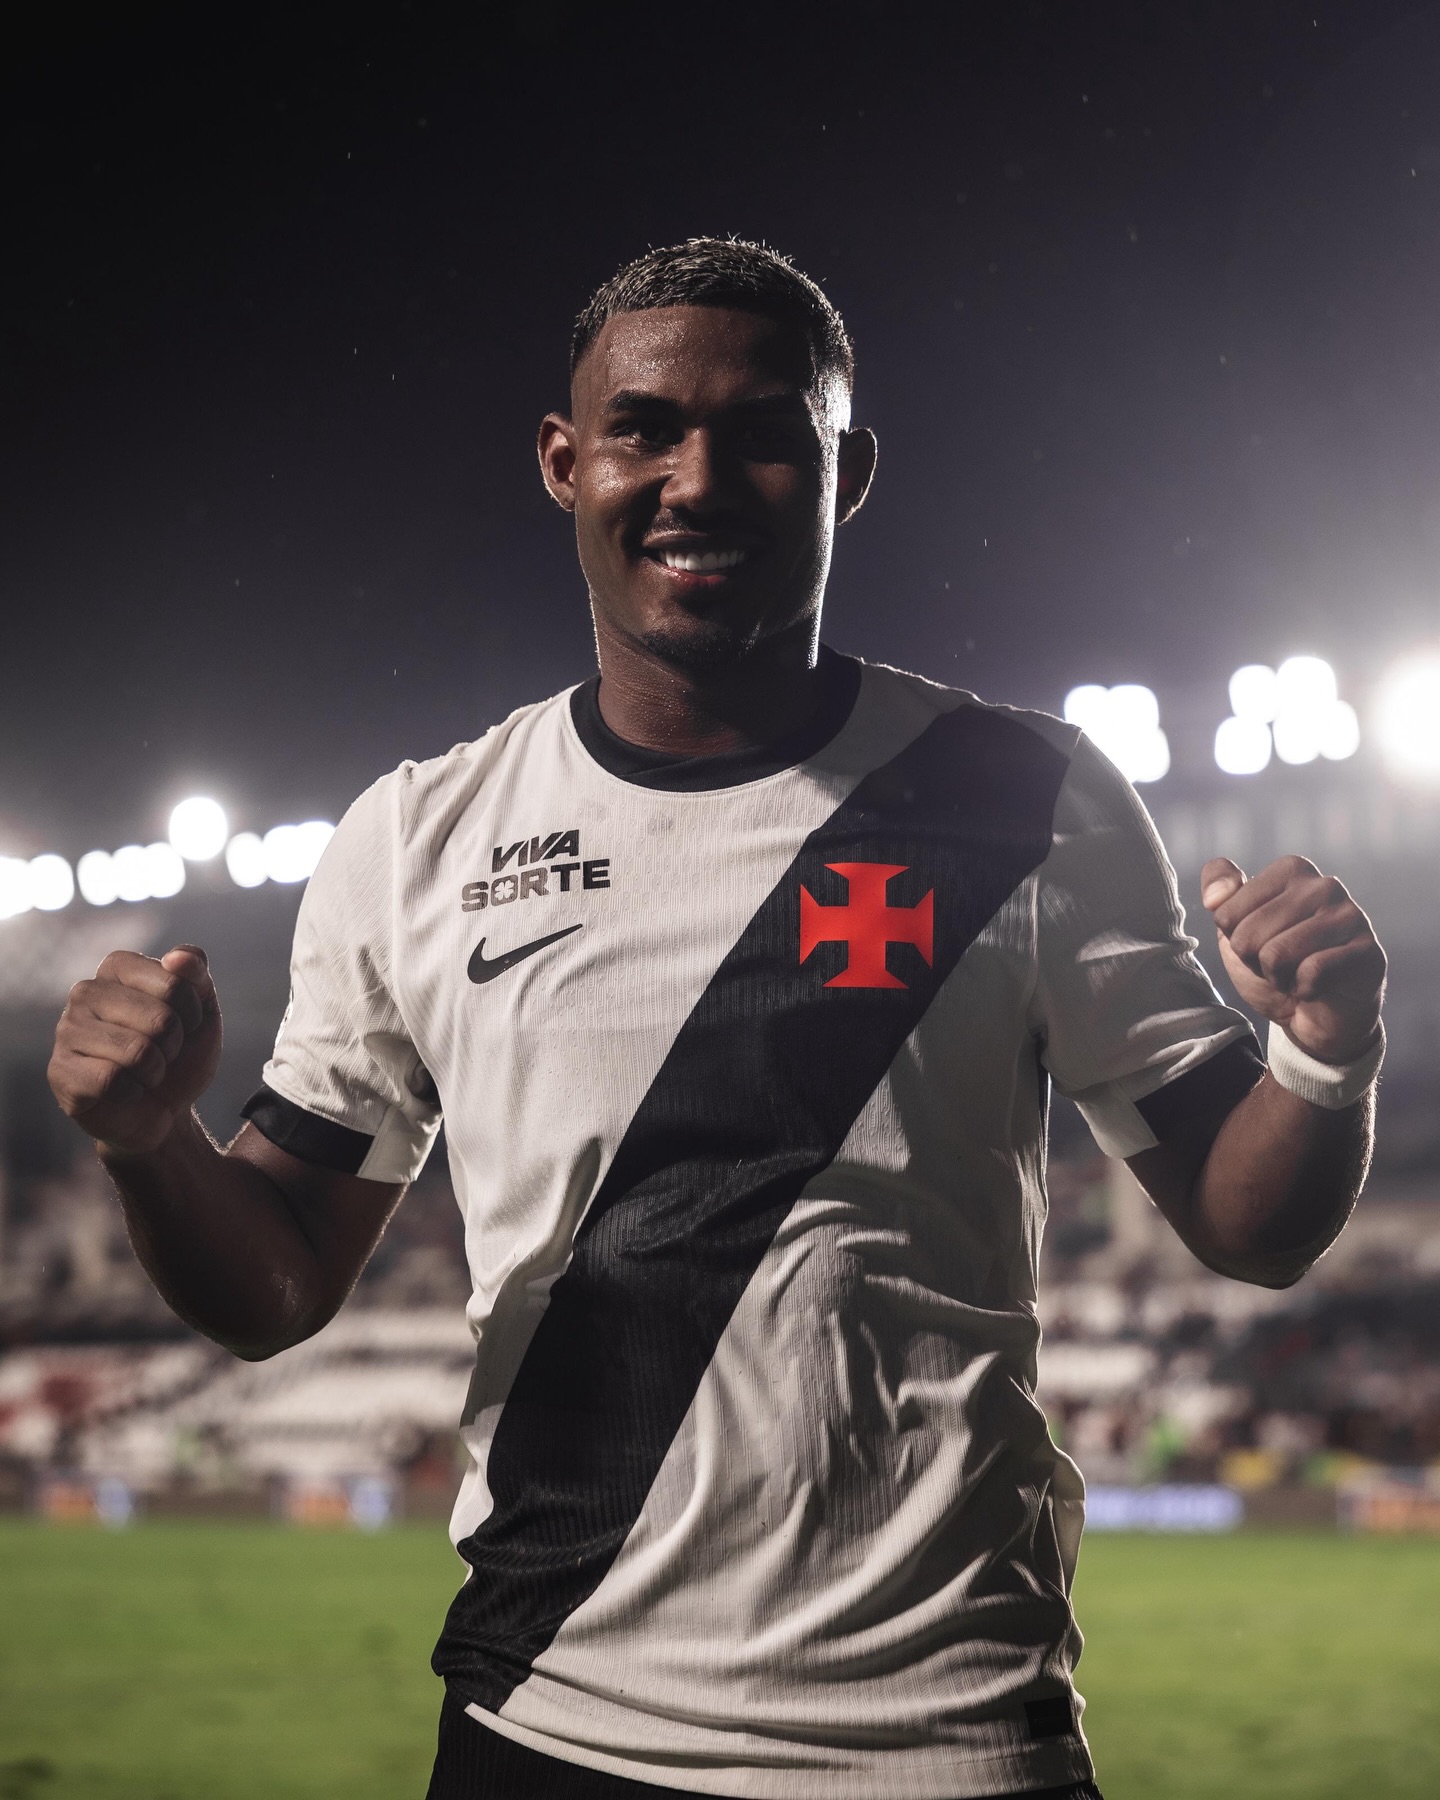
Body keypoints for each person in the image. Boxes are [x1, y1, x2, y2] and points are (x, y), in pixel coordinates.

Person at [48, 238, 1387, 1800]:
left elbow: (1249, 1220)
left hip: (951, 1744)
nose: (696, 479)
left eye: (763, 434)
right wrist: (150, 1145)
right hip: (545, 1728)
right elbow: (274, 1283)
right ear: (566, 462)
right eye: (643, 429)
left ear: (846, 474)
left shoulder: (1031, 797)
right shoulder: (415, 841)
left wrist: (1324, 1050)